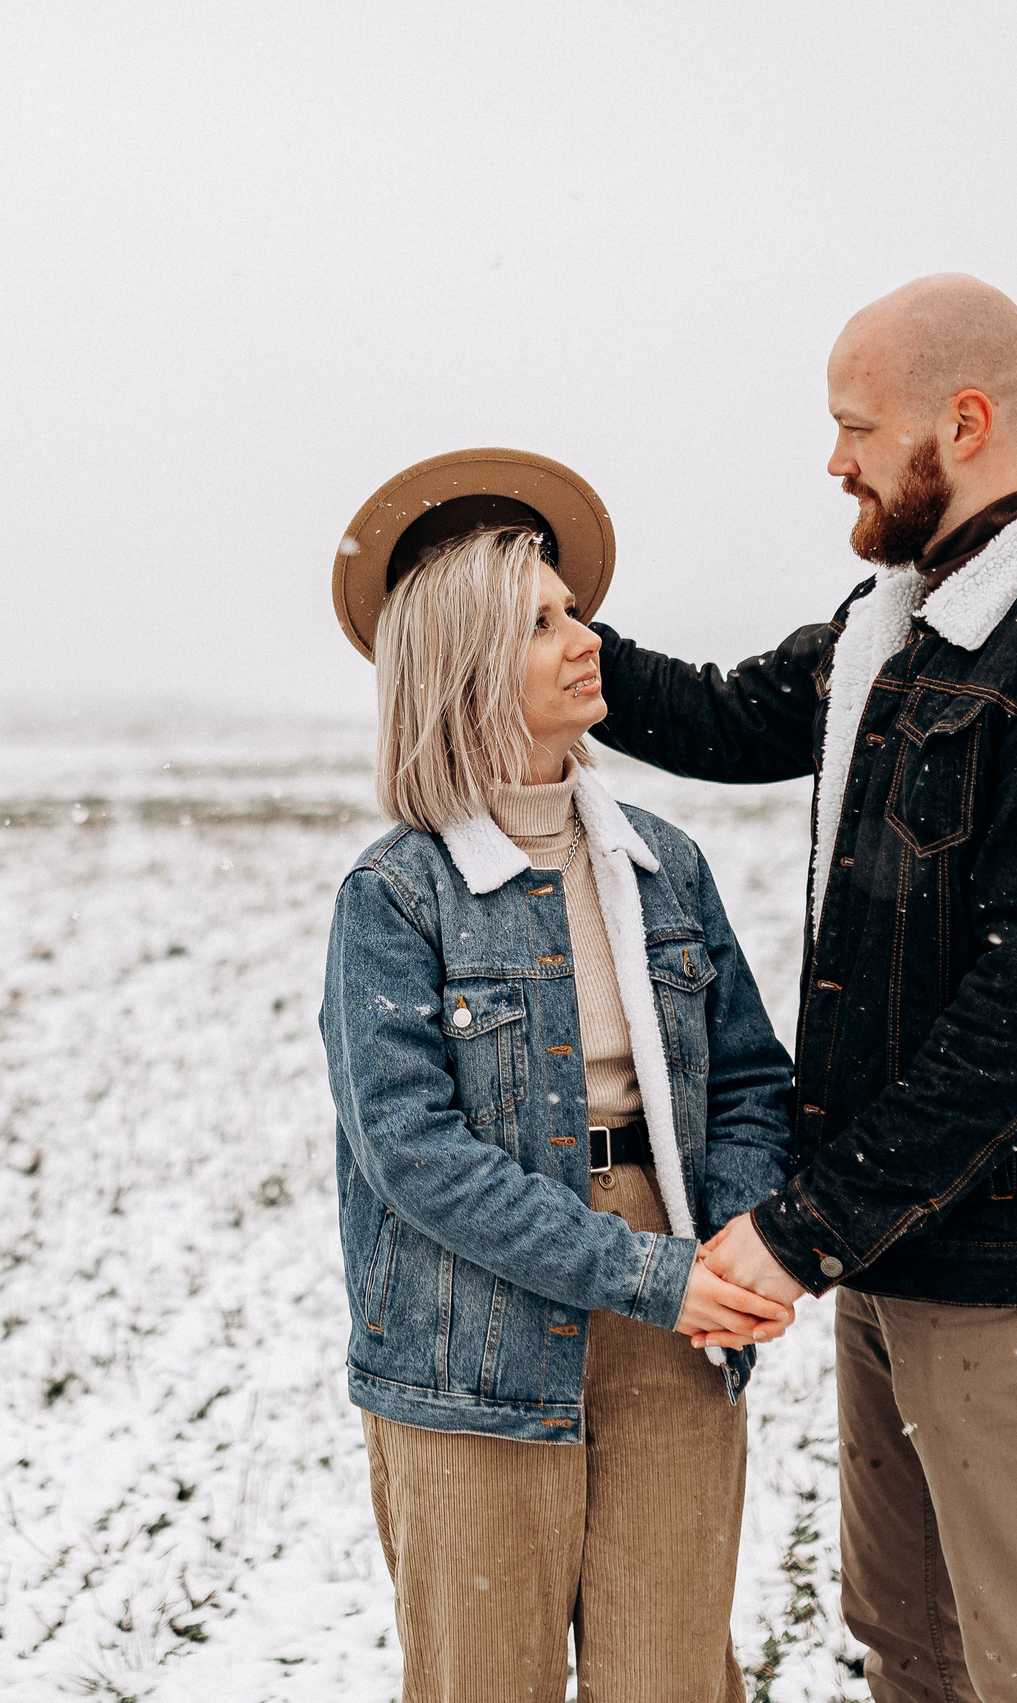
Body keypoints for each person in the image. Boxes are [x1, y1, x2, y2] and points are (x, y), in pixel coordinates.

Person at [591, 275, 1017, 1702]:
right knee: (913, 1648)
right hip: (892, 1241)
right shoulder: (896, 622)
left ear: (966, 421)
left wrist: (806, 1226)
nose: (835, 459)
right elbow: (731, 710)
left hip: (1012, 1268)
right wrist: (541, 624)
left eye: (856, 427)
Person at [320, 458, 799, 1702]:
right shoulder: (392, 897)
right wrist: (652, 1273)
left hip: (675, 1308)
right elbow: (414, 1154)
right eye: (542, 623)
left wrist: (730, 1244)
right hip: (467, 1334)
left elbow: (751, 1081)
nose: (587, 642)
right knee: (486, 1680)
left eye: (573, 610)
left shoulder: (664, 865)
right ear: (469, 662)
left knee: (670, 1679)